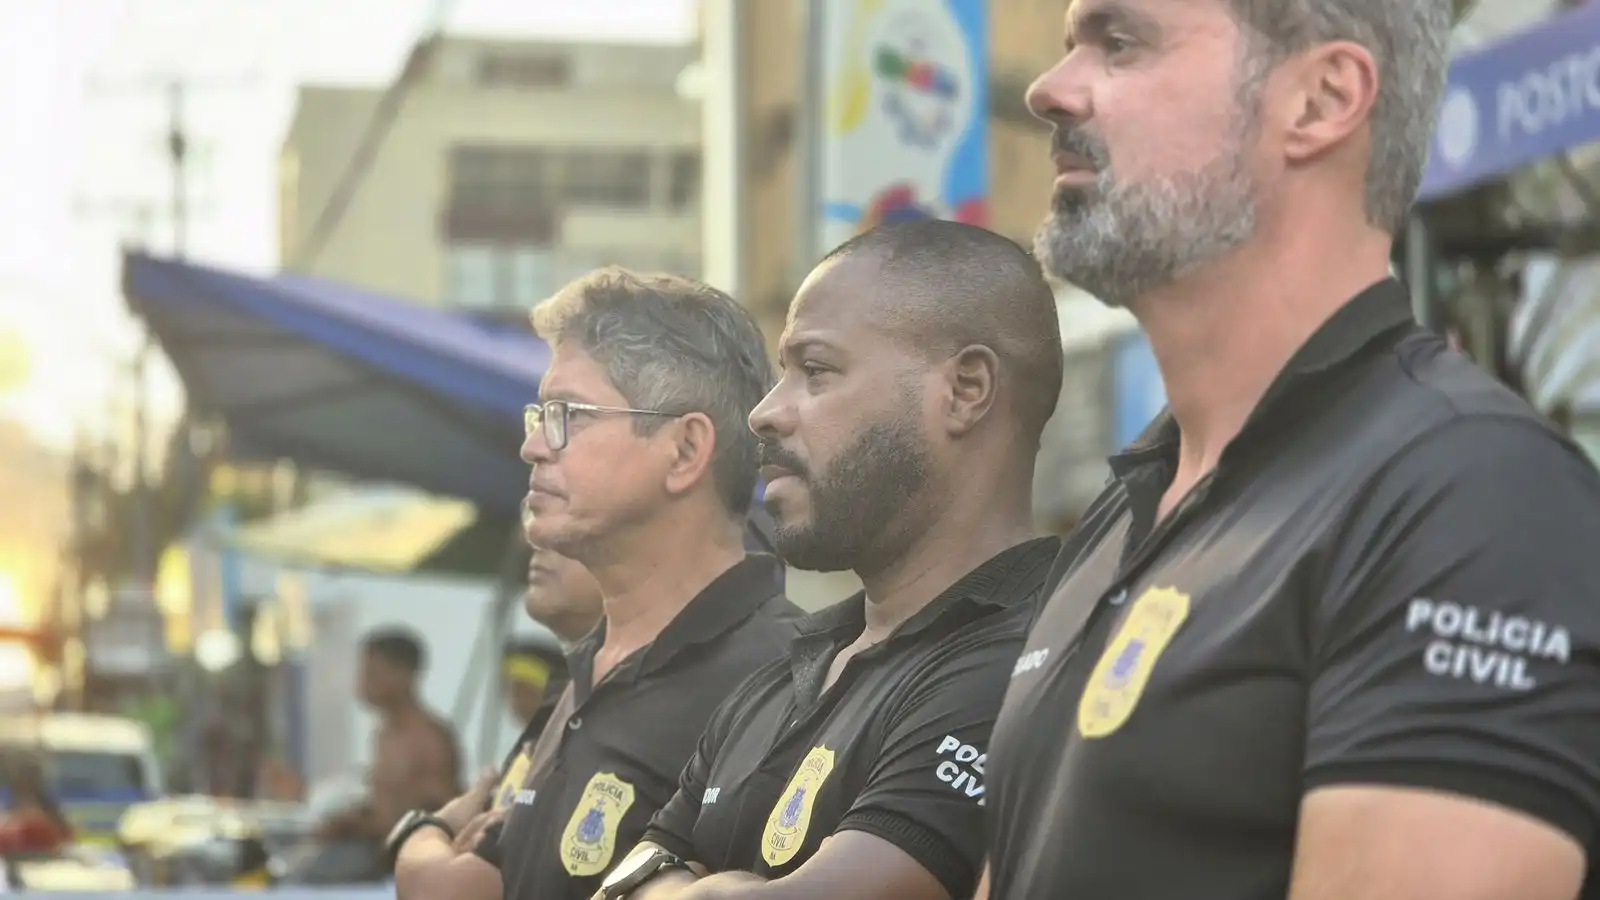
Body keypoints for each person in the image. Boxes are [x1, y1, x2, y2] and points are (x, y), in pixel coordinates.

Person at [978, 1, 1600, 899]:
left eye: (1119, 44)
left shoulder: (1474, 496)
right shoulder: (1125, 511)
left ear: (1320, 101)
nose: (1049, 88)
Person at [597, 220, 1064, 900]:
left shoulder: (1026, 658)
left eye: (814, 371)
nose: (765, 413)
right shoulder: (785, 676)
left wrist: (693, 885)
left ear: (966, 391)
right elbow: (621, 882)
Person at [392, 268, 800, 900]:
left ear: (686, 449)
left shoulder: (780, 681)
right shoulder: (589, 665)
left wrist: (421, 833)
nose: (532, 446)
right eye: (537, 414)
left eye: (566, 415)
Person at [319, 629, 461, 846]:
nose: (362, 684)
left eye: (372, 674)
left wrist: (359, 827)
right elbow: (385, 806)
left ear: (403, 676)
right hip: (377, 849)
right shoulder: (384, 734)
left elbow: (443, 814)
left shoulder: (428, 740)